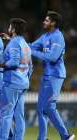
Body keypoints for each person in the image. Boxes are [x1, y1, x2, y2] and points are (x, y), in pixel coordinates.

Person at [30, 11, 75, 140]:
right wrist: (14, 41)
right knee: (41, 109)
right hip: (46, 75)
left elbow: (52, 57)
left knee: (49, 107)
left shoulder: (58, 36)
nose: (44, 22)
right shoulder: (44, 36)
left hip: (56, 75)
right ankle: (44, 138)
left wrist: (33, 52)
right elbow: (30, 46)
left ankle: (65, 135)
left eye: (47, 20)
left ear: (53, 23)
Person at [0, 18, 32, 140]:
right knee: (19, 116)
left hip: (12, 83)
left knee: (5, 115)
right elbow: (30, 66)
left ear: (14, 29)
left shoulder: (14, 43)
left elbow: (14, 62)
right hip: (23, 84)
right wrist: (25, 79)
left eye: (10, 26)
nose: (8, 28)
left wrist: (0, 65)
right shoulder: (25, 44)